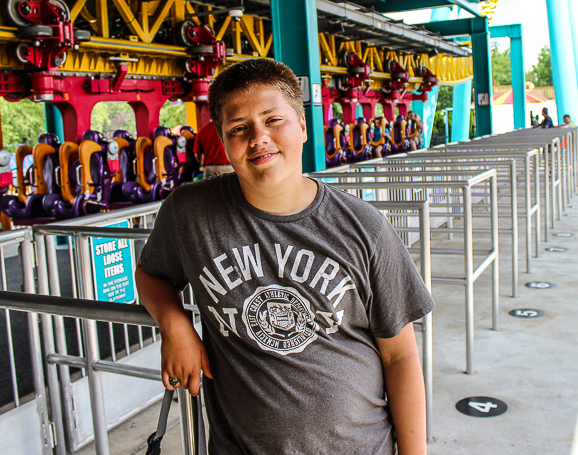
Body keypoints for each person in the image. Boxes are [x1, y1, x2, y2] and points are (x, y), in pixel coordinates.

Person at [136, 59, 434, 454]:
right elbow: (151, 274)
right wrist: (174, 324)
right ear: (223, 141)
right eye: (239, 129)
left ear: (303, 127)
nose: (259, 137)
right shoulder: (189, 214)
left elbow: (399, 357)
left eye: (274, 119)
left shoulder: (364, 227)